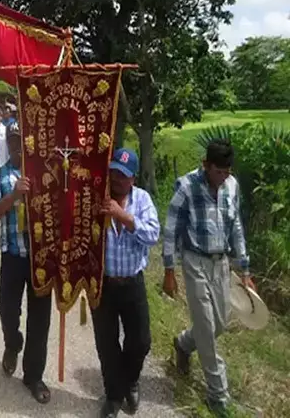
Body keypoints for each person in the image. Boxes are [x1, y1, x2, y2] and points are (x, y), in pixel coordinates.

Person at [162, 138, 255, 416]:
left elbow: (235, 225)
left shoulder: (232, 186)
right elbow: (170, 229)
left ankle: (183, 343)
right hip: (195, 262)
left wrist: (245, 269)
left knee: (220, 323)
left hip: (221, 263)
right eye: (218, 172)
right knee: (205, 325)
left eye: (227, 171)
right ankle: (218, 394)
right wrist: (169, 270)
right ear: (206, 165)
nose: (223, 177)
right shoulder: (187, 186)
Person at [0, 121, 53, 405]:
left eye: (22, 140)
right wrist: (14, 196)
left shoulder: (46, 173)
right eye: (12, 140)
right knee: (6, 309)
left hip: (40, 259)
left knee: (40, 319)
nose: (16, 145)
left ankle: (33, 375)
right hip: (12, 255)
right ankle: (12, 342)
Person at [93, 149, 160, 418]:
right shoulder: (97, 198)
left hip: (132, 282)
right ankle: (113, 397)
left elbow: (153, 234)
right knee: (107, 345)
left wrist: (124, 217)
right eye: (114, 173)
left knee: (141, 341)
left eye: (123, 175)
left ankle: (130, 380)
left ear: (133, 178)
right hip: (104, 285)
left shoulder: (142, 199)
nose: (117, 179)